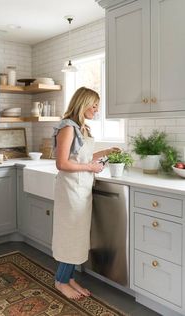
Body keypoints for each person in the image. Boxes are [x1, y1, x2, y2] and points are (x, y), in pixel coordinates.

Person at [52, 86, 120, 300]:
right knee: (70, 237)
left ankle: (70, 277)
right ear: (84, 103)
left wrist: (106, 152)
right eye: (95, 104)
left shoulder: (83, 128)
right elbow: (62, 163)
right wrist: (91, 167)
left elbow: (83, 155)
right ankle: (60, 281)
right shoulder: (68, 127)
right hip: (71, 190)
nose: (97, 109)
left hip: (81, 189)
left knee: (78, 236)